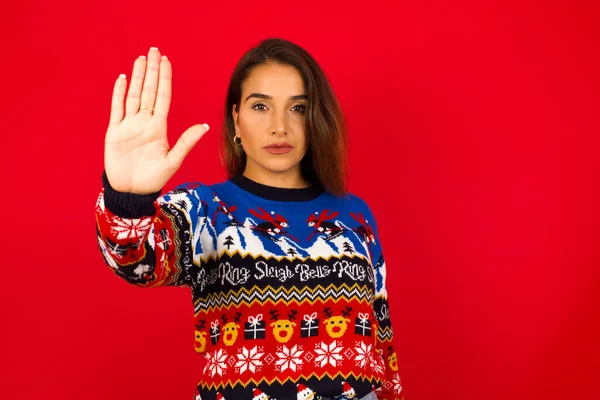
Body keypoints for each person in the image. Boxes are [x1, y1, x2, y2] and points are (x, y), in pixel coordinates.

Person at [95, 38, 405, 400]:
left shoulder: (354, 216)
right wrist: (128, 197)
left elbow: (380, 346)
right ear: (236, 120)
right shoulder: (205, 210)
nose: (279, 126)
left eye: (298, 108)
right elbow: (134, 259)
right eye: (260, 106)